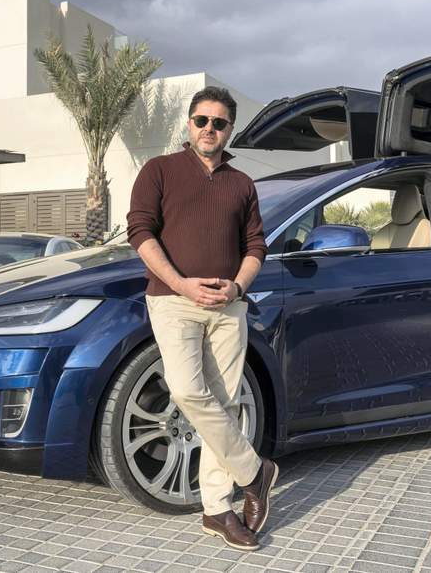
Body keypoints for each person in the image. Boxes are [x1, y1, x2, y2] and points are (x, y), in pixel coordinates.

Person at [127, 86, 279, 550]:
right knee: (189, 390)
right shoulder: (159, 170)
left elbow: (256, 246)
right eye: (201, 120)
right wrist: (182, 283)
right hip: (174, 301)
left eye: (219, 123)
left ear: (229, 129)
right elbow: (140, 232)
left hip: (228, 305)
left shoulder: (241, 183)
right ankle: (254, 471)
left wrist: (237, 286)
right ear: (189, 124)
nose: (209, 129)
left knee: (225, 403)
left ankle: (217, 509)